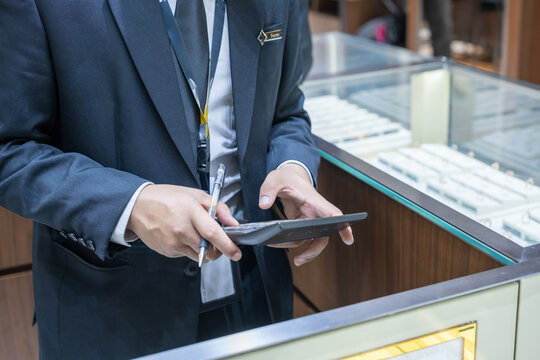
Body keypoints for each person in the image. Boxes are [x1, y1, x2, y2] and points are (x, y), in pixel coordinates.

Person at [0, 0, 353, 359]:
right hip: (114, 307)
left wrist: (293, 167)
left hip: (254, 292)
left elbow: (286, 110)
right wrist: (132, 204)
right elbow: (10, 149)